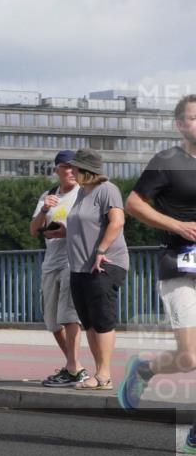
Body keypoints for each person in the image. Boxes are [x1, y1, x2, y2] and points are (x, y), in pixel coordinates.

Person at [119, 94, 196, 454]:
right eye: (193, 118)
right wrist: (176, 225)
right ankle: (144, 370)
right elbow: (133, 204)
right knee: (190, 357)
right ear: (180, 125)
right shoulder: (167, 161)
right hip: (179, 265)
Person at [64, 148, 129, 391]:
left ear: (87, 170)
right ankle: (99, 373)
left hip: (105, 264)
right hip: (80, 266)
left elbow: (118, 221)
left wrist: (101, 250)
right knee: (89, 322)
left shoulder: (107, 190)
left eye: (75, 167)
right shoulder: (82, 193)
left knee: (102, 320)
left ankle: (104, 375)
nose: (71, 170)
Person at [29, 150, 86, 387]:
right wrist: (44, 210)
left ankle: (72, 368)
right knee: (52, 320)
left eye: (74, 167)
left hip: (73, 260)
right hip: (50, 262)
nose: (71, 171)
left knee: (69, 315)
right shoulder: (49, 194)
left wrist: (67, 231)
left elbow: (94, 226)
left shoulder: (84, 194)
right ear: (57, 170)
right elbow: (33, 230)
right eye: (65, 167)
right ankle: (75, 367)